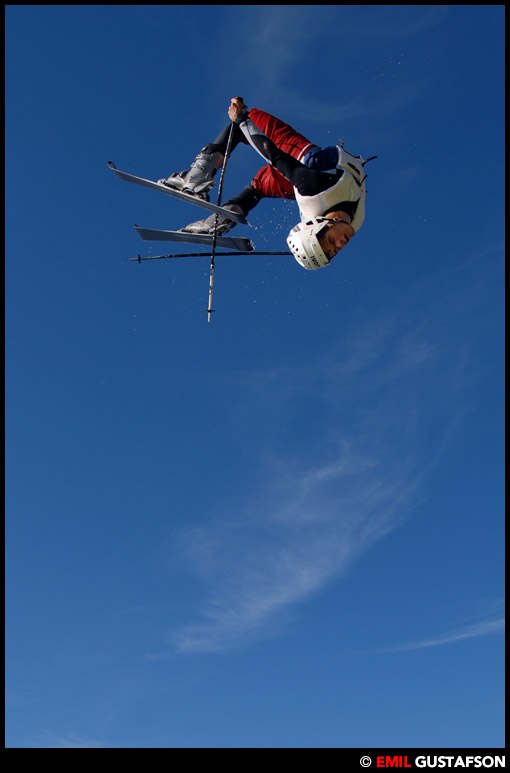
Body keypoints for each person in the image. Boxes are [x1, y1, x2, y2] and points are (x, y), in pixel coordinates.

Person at [158, 97, 375, 270]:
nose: (340, 245)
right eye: (333, 251)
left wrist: (242, 119)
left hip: (296, 171)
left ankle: (208, 197)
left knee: (251, 132)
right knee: (247, 127)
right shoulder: (344, 212)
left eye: (330, 243)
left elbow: (276, 158)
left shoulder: (313, 191)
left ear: (323, 226)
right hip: (305, 171)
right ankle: (204, 180)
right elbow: (274, 156)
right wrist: (242, 119)